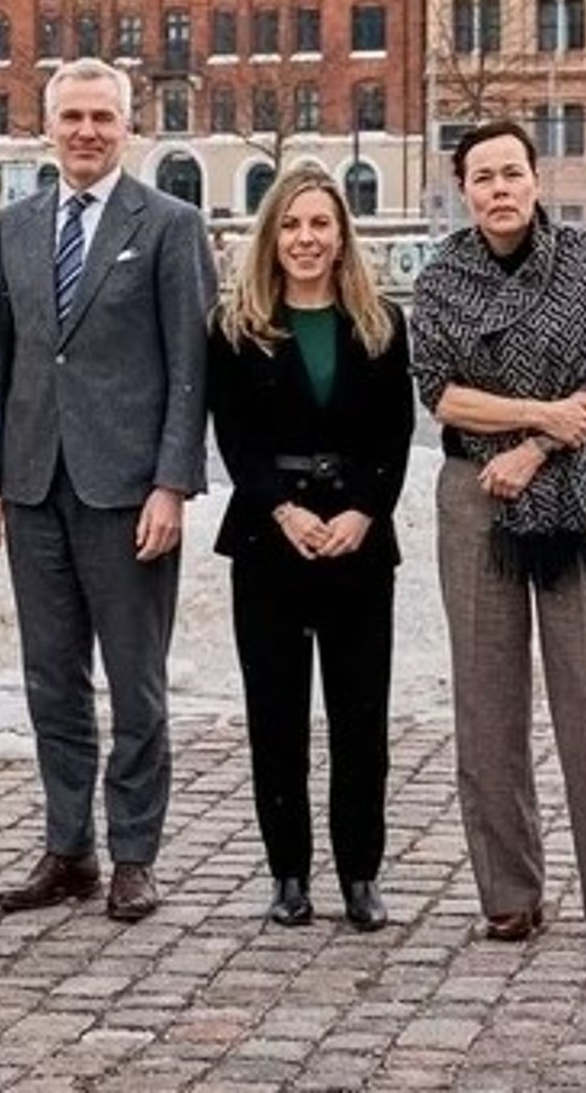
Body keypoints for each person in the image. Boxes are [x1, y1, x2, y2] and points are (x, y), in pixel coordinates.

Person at [412, 120, 586, 943]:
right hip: (476, 490)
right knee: (486, 695)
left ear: (536, 179)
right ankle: (509, 890)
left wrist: (535, 447)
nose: (499, 189)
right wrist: (539, 413)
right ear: (464, 190)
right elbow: (440, 393)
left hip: (577, 487)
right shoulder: (440, 278)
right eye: (483, 177)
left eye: (511, 173)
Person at [0, 56, 216, 922]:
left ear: (128, 127)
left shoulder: (171, 225)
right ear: (48, 128)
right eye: (72, 117)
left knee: (136, 685)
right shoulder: (14, 227)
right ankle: (68, 846)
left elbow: (191, 368)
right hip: (34, 487)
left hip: (128, 494)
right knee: (52, 682)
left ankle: (134, 854)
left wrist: (172, 483)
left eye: (102, 117)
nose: (86, 132)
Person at [206, 164, 413, 932]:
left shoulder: (381, 323)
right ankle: (288, 873)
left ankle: (360, 873)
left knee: (360, 718)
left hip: (358, 542)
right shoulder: (236, 326)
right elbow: (234, 437)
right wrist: (283, 509)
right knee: (277, 716)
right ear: (272, 236)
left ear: (341, 234)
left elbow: (394, 432)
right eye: (292, 224)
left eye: (320, 223)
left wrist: (364, 510)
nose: (306, 238)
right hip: (270, 540)